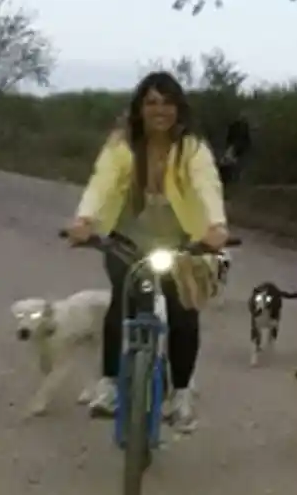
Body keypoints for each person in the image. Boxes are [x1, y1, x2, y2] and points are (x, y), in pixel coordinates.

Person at [64, 72, 230, 433]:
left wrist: (216, 226)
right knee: (121, 301)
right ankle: (109, 384)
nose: (160, 110)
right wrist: (84, 219)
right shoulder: (122, 145)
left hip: (182, 242)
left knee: (183, 312)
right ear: (139, 108)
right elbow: (101, 182)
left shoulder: (192, 149)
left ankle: (181, 395)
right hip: (127, 240)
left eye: (167, 102)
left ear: (179, 108)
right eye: (152, 102)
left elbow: (208, 185)